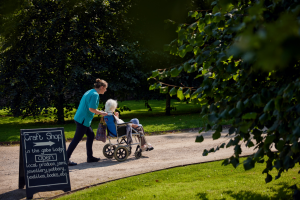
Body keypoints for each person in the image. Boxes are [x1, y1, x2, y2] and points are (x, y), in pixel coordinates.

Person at [67, 78, 108, 166]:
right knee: (76, 139)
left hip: (81, 118)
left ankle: (90, 157)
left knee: (90, 135)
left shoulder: (90, 91)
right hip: (83, 120)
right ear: (101, 87)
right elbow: (91, 109)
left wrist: (99, 112)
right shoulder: (95, 95)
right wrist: (102, 113)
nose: (106, 90)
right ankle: (65, 159)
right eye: (105, 88)